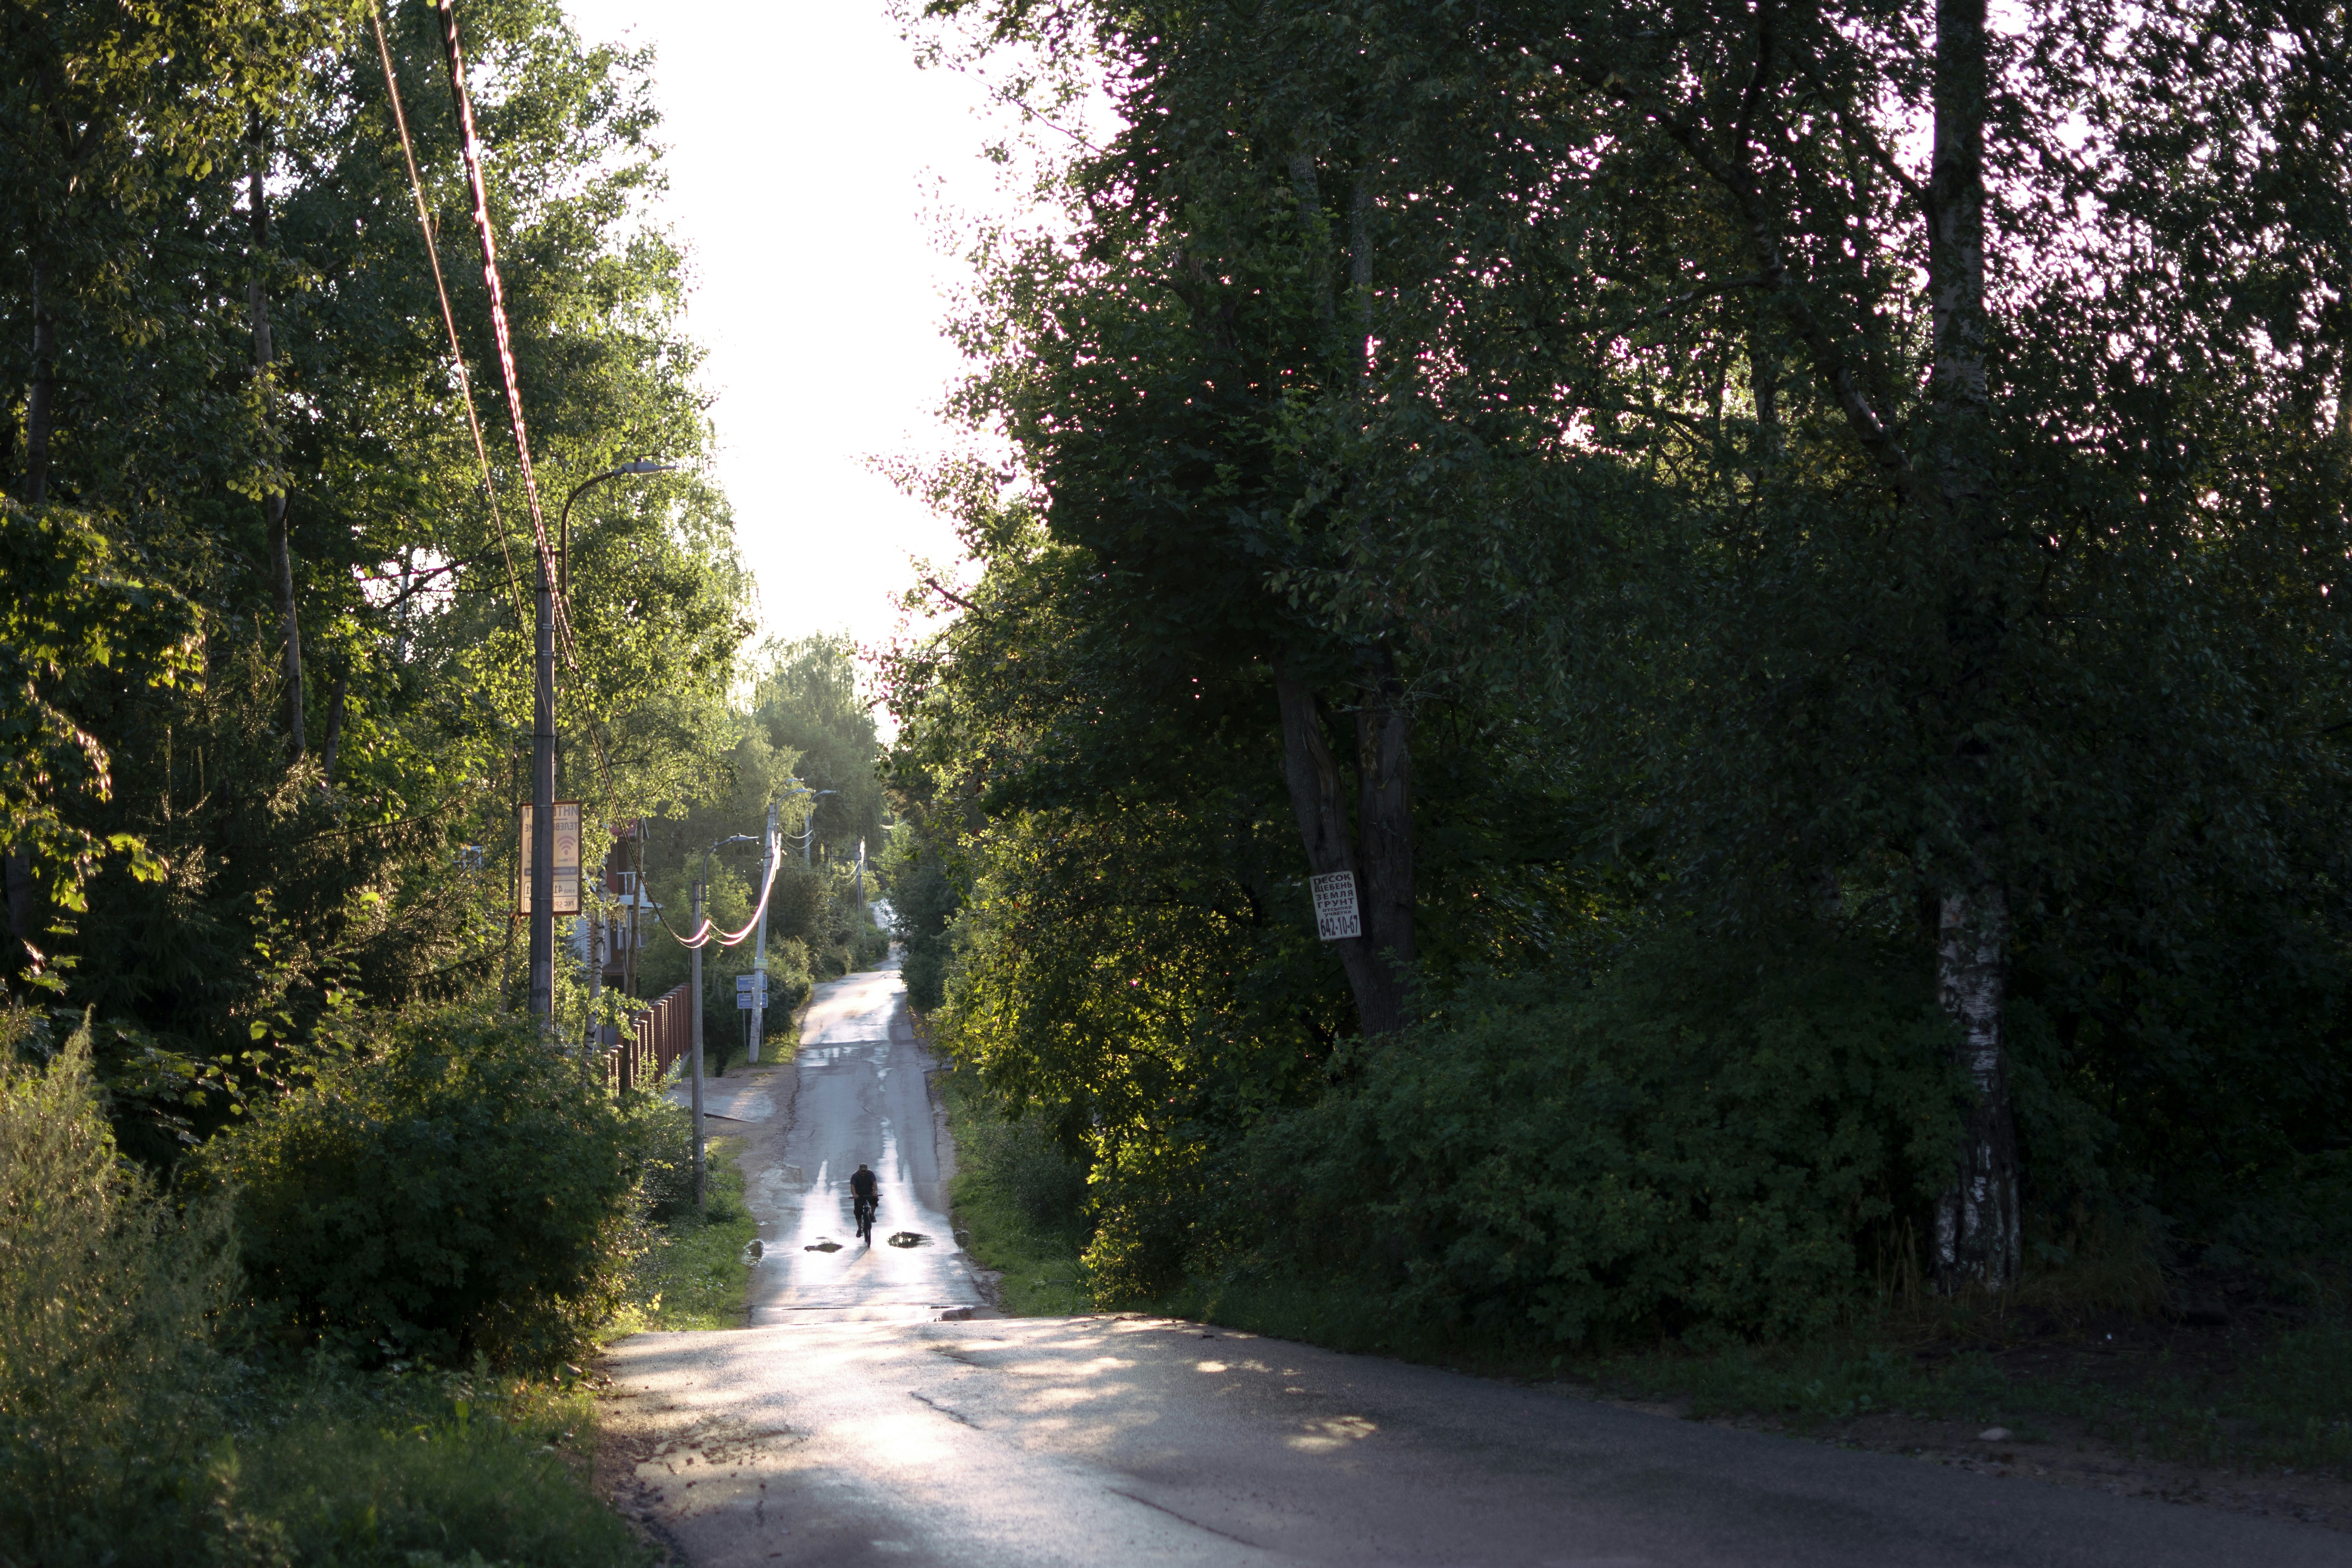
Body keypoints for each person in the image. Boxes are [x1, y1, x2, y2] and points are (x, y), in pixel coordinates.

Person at [849, 1162, 878, 1243]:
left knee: (874, 1199)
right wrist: (854, 1194)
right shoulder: (855, 1176)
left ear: (867, 1170)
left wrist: (876, 1192)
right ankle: (860, 1229)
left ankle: (872, 1216)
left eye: (865, 1171)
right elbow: (852, 1186)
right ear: (859, 1170)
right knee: (858, 1211)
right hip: (859, 1195)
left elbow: (875, 1183)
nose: (863, 1173)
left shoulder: (871, 1174)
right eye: (862, 1171)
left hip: (869, 1192)